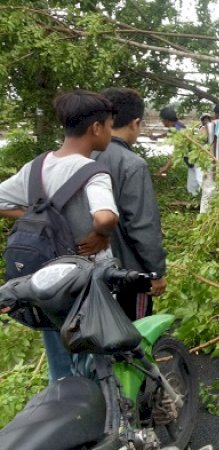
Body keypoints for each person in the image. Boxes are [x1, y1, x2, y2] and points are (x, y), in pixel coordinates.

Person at [0, 90, 118, 381]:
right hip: (85, 285)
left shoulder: (36, 166)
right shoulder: (94, 172)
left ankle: (64, 413)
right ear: (96, 128)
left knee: (61, 370)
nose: (110, 133)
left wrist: (40, 219)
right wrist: (101, 233)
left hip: (44, 281)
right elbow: (105, 215)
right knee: (95, 363)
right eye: (110, 126)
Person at [93, 88, 167, 320]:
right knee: (134, 334)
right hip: (128, 272)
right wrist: (155, 272)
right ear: (135, 123)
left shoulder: (85, 154)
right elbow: (142, 225)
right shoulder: (132, 164)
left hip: (91, 269)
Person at [155, 108, 205, 196]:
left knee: (204, 187)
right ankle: (196, 205)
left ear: (166, 120)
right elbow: (169, 133)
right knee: (192, 189)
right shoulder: (176, 126)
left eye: (162, 120)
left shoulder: (178, 130)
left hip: (198, 162)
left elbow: (176, 154)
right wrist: (157, 137)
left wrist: (165, 168)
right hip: (192, 163)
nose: (162, 122)